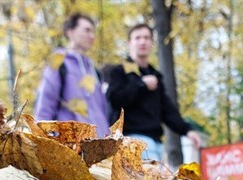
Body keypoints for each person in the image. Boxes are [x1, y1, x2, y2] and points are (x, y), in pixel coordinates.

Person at [106, 23, 201, 163]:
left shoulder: (155, 76)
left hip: (156, 143)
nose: (142, 41)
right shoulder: (119, 72)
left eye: (146, 37)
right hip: (131, 139)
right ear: (129, 43)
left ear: (152, 43)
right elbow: (114, 100)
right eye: (137, 38)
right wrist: (141, 85)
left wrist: (187, 130)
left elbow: (167, 110)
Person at [34, 13, 109, 137]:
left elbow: (102, 111)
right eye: (87, 30)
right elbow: (45, 104)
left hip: (99, 145)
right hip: (70, 144)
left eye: (93, 32)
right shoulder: (58, 63)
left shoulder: (94, 71)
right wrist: (43, 140)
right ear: (70, 32)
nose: (92, 36)